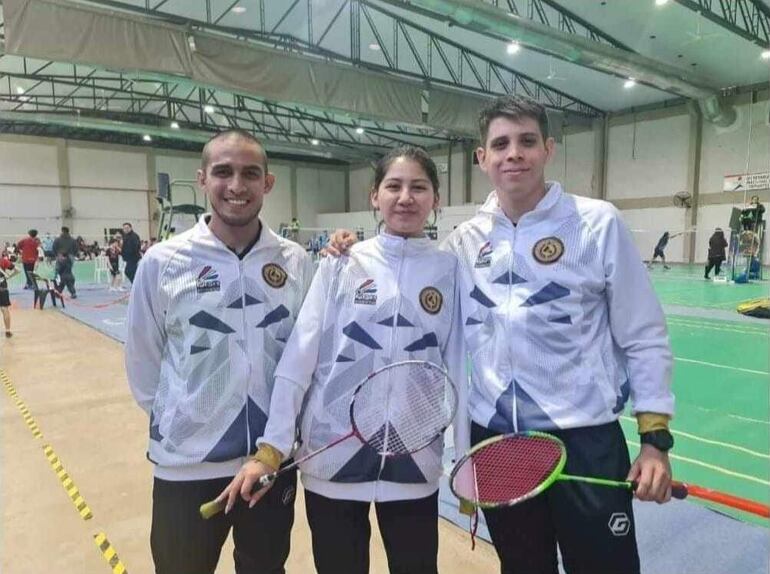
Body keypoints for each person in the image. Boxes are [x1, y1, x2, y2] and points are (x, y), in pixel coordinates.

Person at [327, 95, 675, 574]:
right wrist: (350, 248)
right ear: (482, 158)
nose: (514, 153)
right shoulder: (463, 243)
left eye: (527, 141)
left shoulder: (596, 223)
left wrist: (655, 442)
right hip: (497, 444)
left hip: (586, 440)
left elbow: (644, 334)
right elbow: (403, 269)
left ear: (548, 149)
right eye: (502, 144)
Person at [216, 146, 467, 574]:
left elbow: (459, 368)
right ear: (374, 196)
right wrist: (274, 445)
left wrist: (463, 461)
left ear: (436, 200)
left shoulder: (450, 270)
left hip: (414, 461)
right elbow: (300, 358)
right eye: (394, 186)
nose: (405, 197)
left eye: (419, 187)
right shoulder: (342, 262)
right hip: (332, 458)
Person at [125, 129, 315, 574]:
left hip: (269, 465)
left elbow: (305, 357)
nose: (236, 186)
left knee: (265, 568)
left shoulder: (295, 261)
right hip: (186, 467)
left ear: (267, 182)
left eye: (250, 173)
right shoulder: (163, 261)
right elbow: (143, 360)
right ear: (203, 179)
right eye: (223, 172)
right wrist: (189, 420)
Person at [52, 226, 78, 299]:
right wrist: (72, 255)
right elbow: (76, 249)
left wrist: (57, 255)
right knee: (68, 274)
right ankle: (72, 292)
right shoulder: (73, 240)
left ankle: (58, 291)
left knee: (59, 276)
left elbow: (54, 248)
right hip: (70, 258)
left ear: (62, 231)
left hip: (60, 257)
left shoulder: (57, 240)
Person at [0, 254, 19, 337]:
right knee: (4, 309)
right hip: (2, 287)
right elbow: (18, 270)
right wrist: (8, 277)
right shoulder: (3, 261)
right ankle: (8, 331)